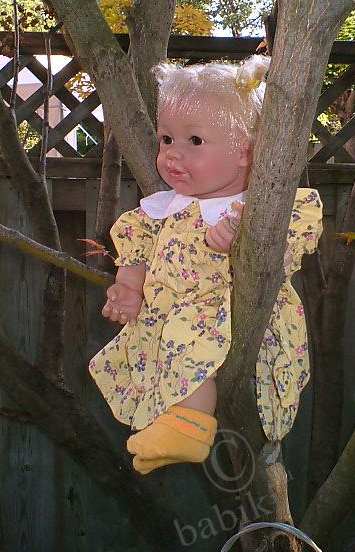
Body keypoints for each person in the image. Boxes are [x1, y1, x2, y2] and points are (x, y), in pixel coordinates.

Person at [89, 56, 323, 475]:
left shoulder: (255, 210)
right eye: (166, 139)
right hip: (170, 315)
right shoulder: (164, 208)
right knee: (162, 349)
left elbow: (282, 253)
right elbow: (136, 249)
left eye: (194, 140)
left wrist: (243, 246)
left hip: (226, 315)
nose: (172, 154)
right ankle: (173, 424)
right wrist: (128, 286)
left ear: (245, 151)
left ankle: (187, 428)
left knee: (190, 341)